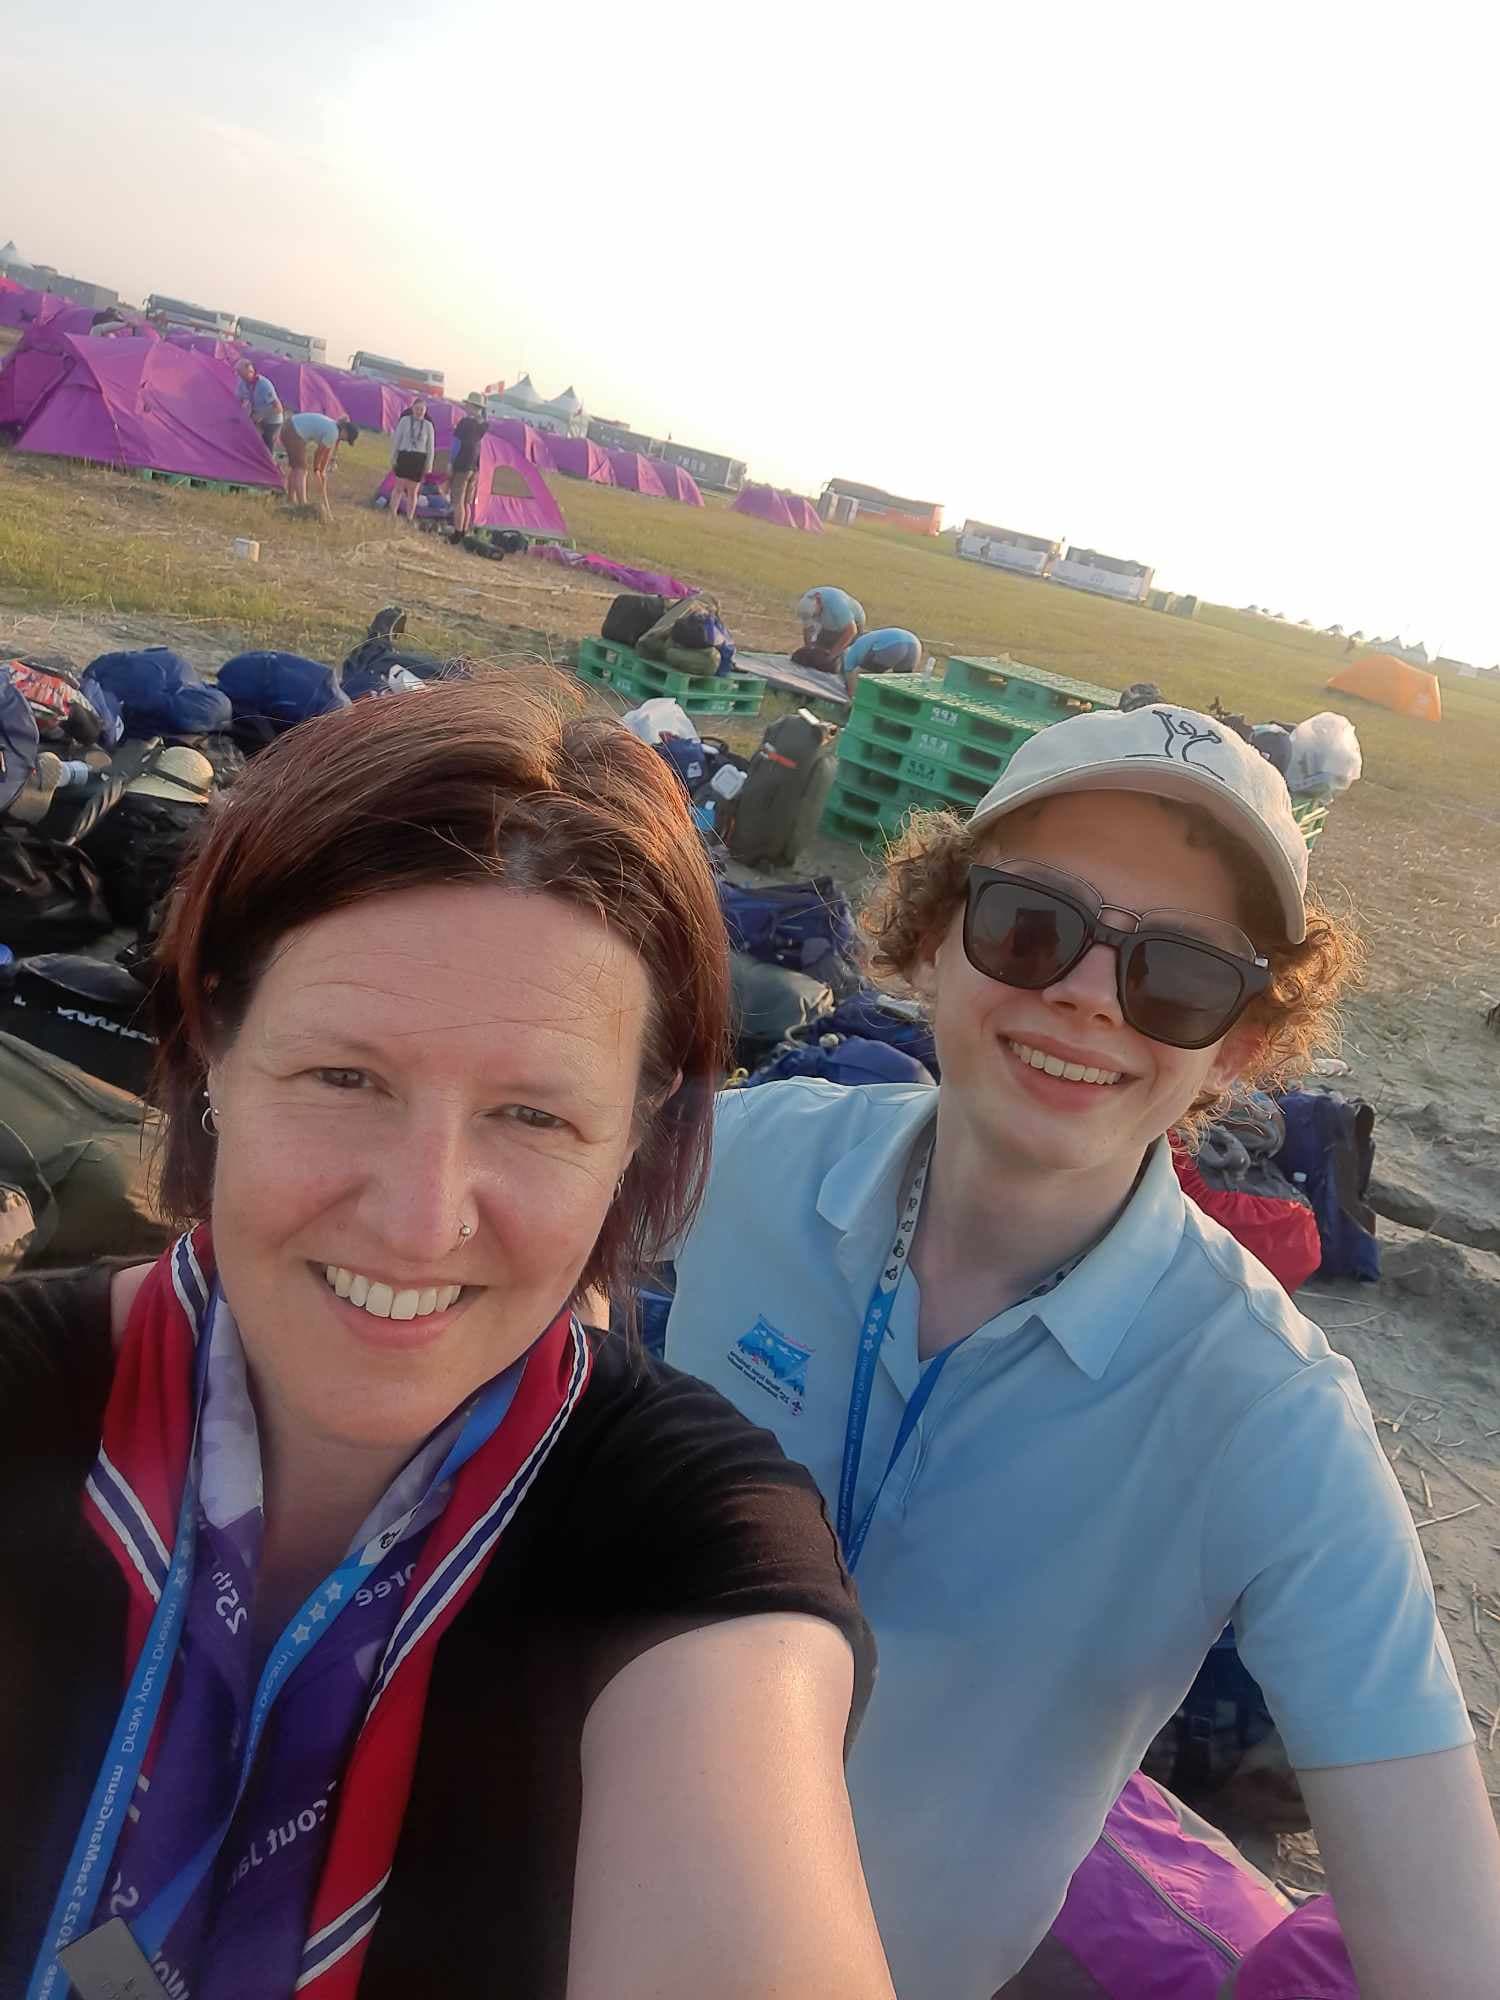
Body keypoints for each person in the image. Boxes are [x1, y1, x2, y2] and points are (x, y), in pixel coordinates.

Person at [3, 677, 895, 2000]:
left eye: (534, 1116)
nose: (421, 1221)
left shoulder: (689, 1540)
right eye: (344, 1077)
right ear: (211, 1058)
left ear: (636, 1138)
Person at [667, 701, 1500, 1999]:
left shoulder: (1266, 1414)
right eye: (1030, 923)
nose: (1088, 995)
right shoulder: (743, 1156)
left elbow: (1445, 1929)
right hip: (540, 1890)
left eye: (1180, 974)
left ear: (1240, 1046)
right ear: (932, 936)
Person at [283, 411, 359, 522]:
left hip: (290, 426)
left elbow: (326, 453)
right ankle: (302, 505)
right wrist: (316, 469)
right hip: (294, 431)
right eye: (347, 438)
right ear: (345, 431)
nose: (345, 440)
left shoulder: (333, 429)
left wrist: (322, 471)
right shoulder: (333, 433)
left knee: (296, 468)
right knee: (301, 470)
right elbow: (318, 453)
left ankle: (291, 500)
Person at [794, 585, 866, 672]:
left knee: (837, 660)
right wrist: (809, 649)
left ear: (819, 604)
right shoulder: (806, 605)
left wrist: (832, 655)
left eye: (815, 615)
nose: (815, 618)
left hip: (853, 624)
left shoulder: (836, 604)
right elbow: (808, 629)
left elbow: (851, 631)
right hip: (830, 624)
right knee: (819, 654)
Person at [388, 397, 436, 525]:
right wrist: (393, 457)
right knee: (398, 488)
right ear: (412, 409)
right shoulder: (404, 421)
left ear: (425, 411)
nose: (419, 412)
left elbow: (430, 447)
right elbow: (396, 440)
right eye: (417, 409)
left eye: (421, 410)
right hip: (404, 456)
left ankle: (409, 517)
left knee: (412, 491)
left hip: (418, 459)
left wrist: (429, 465)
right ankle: (392, 514)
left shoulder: (428, 426)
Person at [447, 393, 488, 543]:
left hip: (462, 464)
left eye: (468, 404)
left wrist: (450, 462)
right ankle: (464, 531)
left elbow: (456, 444)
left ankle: (457, 534)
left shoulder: (465, 423)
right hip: (475, 467)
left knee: (458, 500)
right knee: (467, 502)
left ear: (472, 406)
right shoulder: (484, 425)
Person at [840, 627, 923, 692]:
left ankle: (856, 703)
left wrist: (851, 694)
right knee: (901, 682)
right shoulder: (864, 640)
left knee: (857, 674)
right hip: (915, 644)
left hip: (892, 645)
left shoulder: (849, 655)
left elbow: (850, 675)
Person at [236, 360, 285, 457]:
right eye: (239, 374)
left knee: (267, 444)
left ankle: (270, 463)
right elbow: (239, 399)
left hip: (272, 419)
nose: (240, 377)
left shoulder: (264, 385)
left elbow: (278, 408)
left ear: (251, 372)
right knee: (250, 439)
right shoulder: (242, 382)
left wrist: (261, 415)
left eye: (242, 374)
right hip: (256, 416)